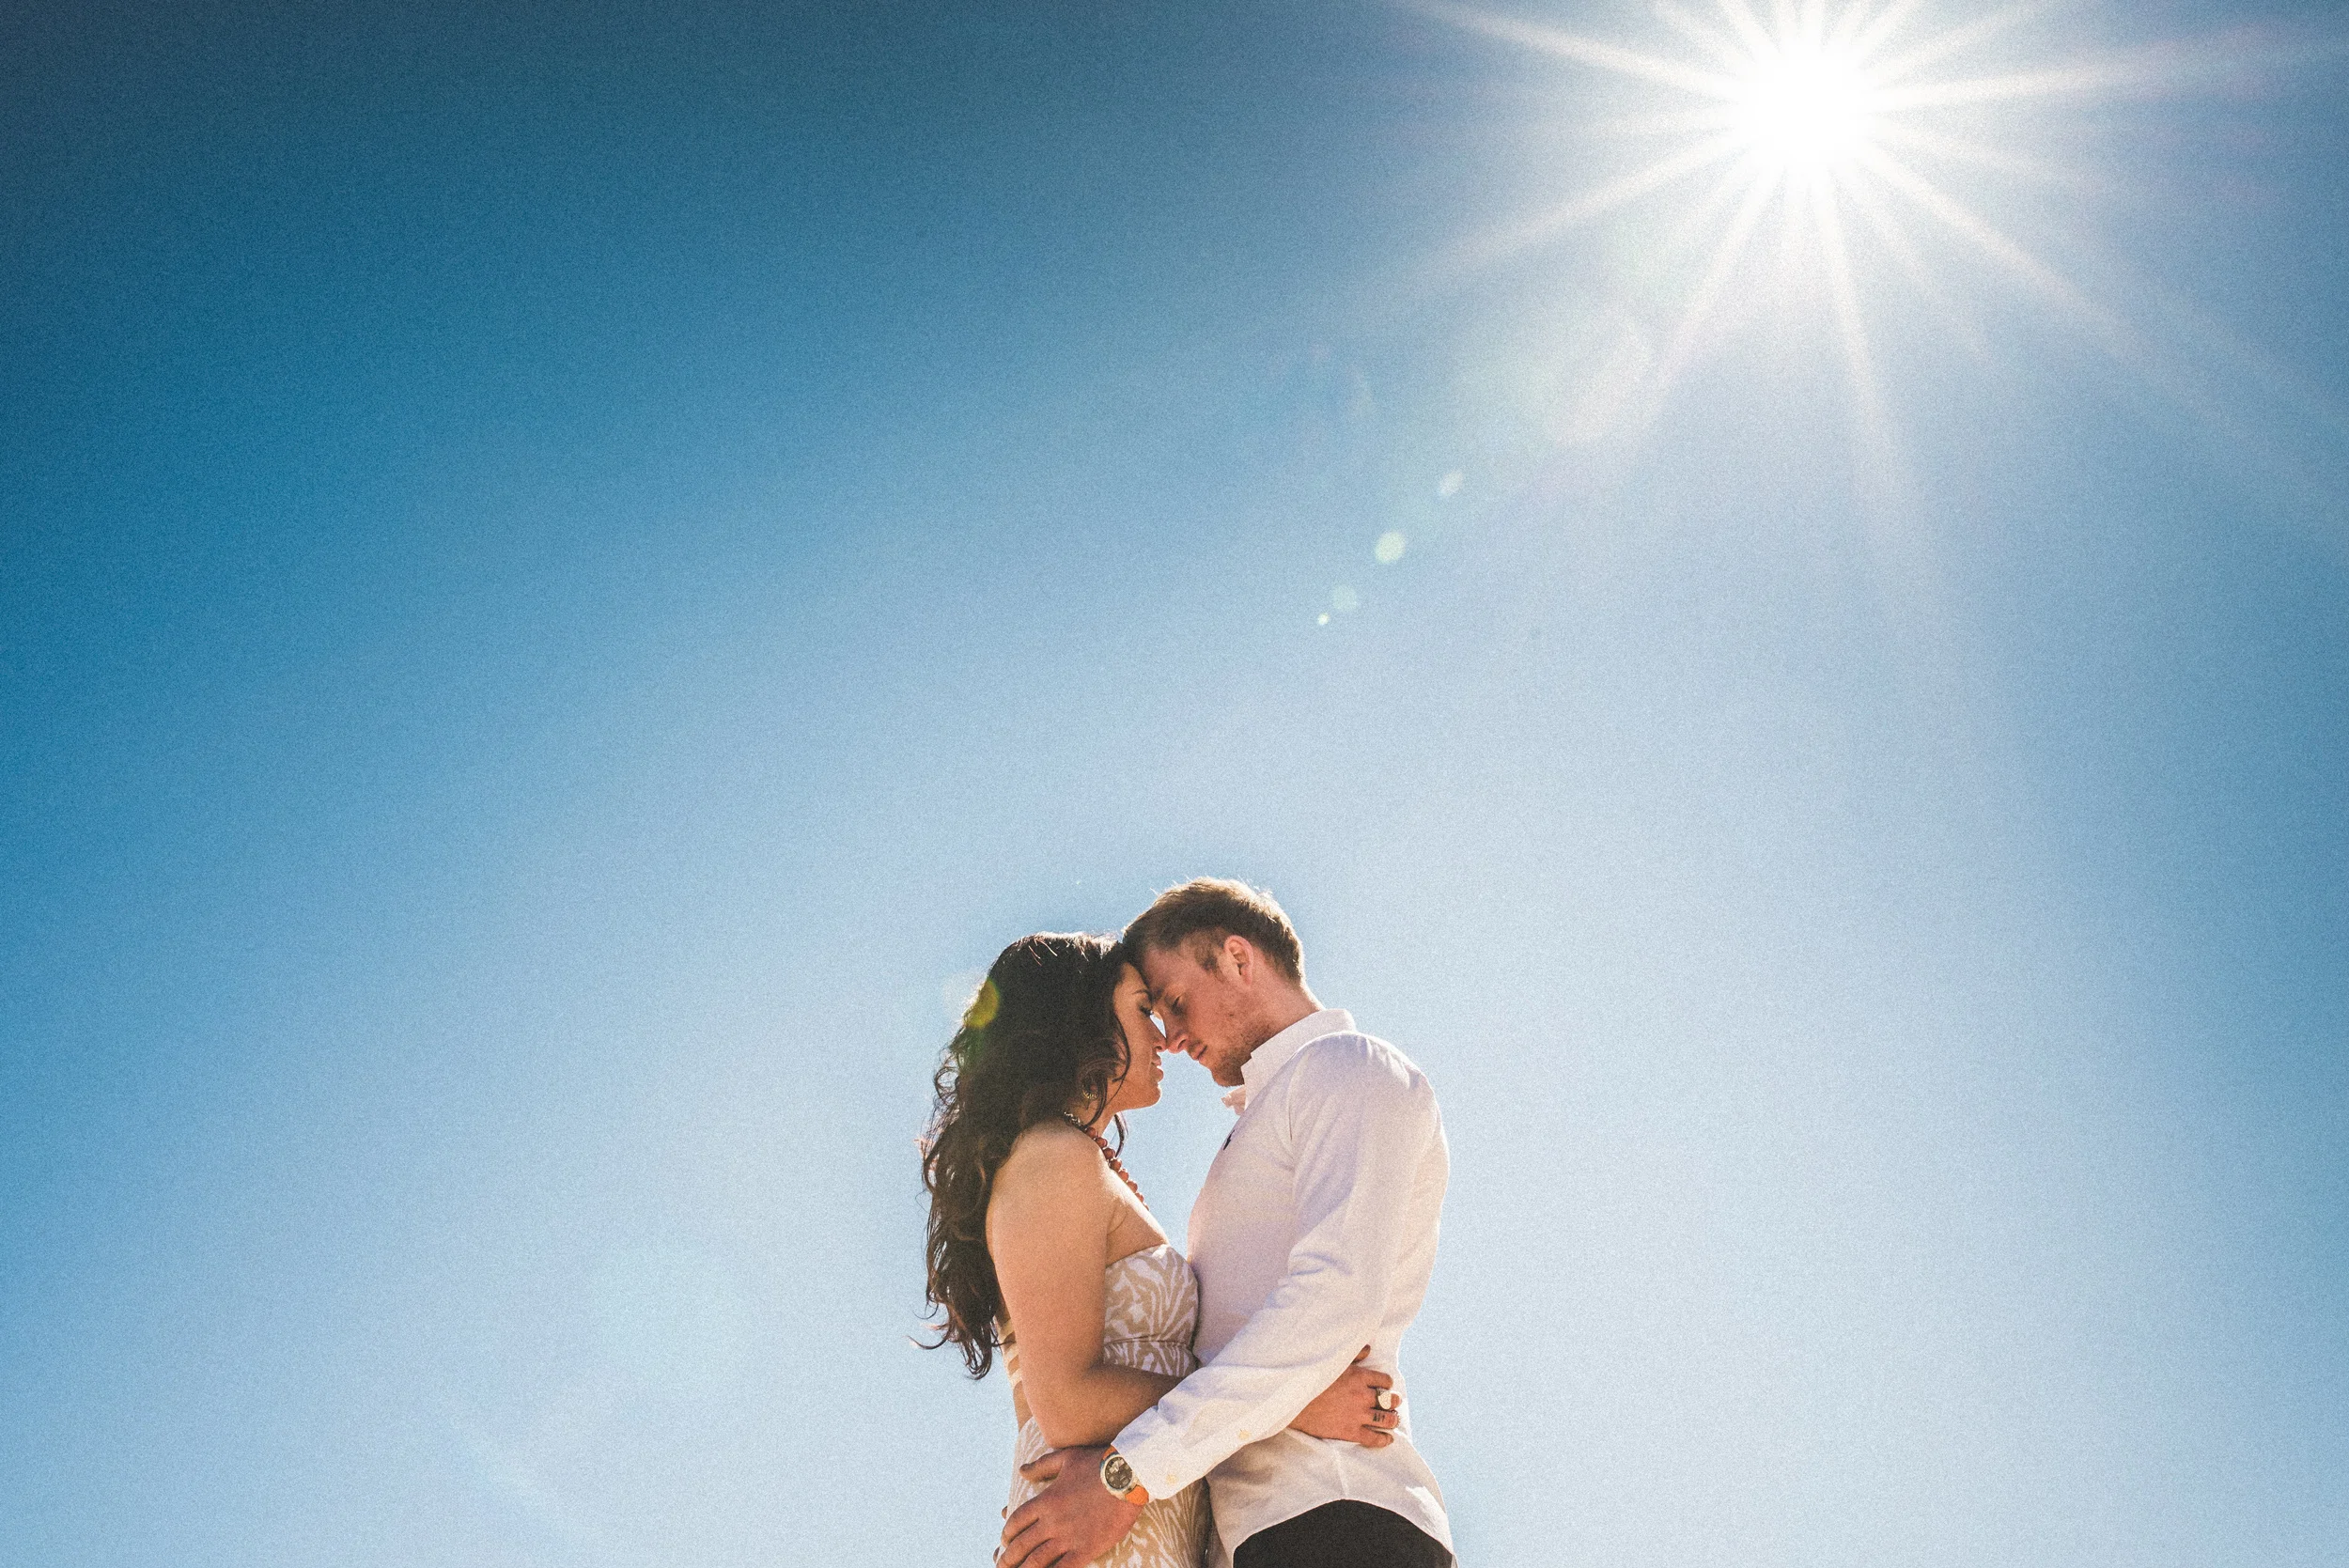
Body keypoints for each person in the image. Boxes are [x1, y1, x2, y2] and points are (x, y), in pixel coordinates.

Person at [1001, 881, 1455, 1568]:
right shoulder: (1254, 1128)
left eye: (1175, 1002)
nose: (1173, 1037)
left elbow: (1334, 1296)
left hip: (1336, 1513)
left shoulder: (1347, 1068)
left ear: (1240, 959)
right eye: (1153, 1012)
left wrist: (1127, 1474)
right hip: (1249, 1537)